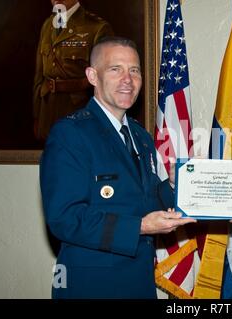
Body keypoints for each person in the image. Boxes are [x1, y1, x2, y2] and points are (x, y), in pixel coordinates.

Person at [40, 36, 196, 299]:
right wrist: (139, 227)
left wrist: (171, 185)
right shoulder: (71, 133)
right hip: (92, 285)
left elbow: (145, 201)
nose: (128, 79)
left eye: (134, 70)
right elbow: (64, 218)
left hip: (139, 282)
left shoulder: (140, 136)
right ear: (92, 76)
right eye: (116, 69)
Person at [33, 0, 114, 140]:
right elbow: (39, 76)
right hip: (47, 112)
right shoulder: (47, 25)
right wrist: (36, 115)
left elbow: (107, 82)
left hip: (79, 112)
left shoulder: (97, 28)